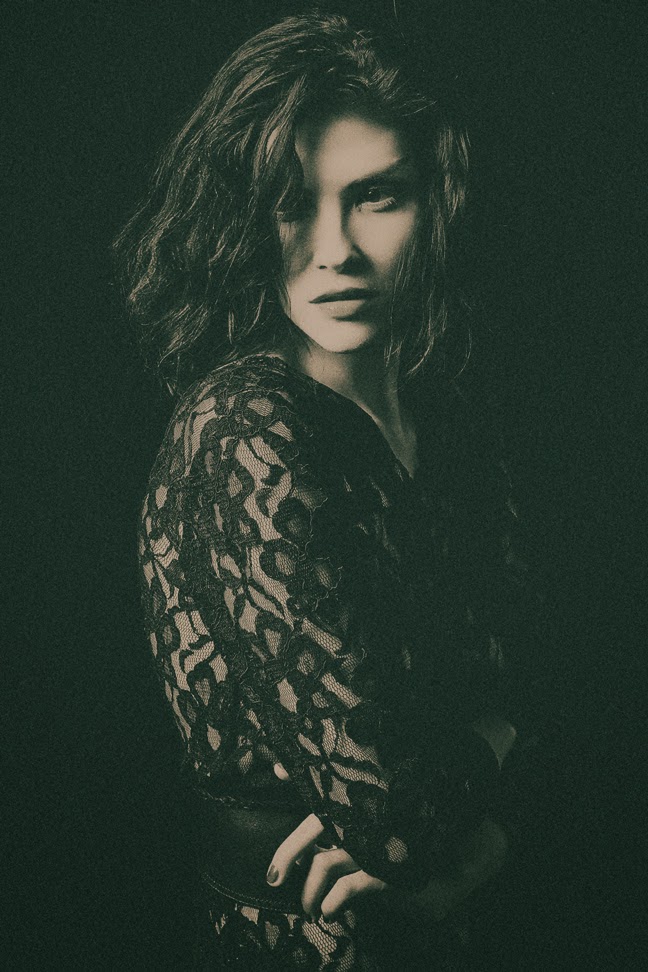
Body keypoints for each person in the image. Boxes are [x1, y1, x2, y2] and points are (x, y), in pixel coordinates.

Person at [117, 12, 539, 970]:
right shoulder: (243, 431)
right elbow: (397, 827)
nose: (334, 247)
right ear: (242, 218)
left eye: (377, 196)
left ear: (439, 203)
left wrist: (490, 837)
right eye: (290, 204)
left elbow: (564, 685)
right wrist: (500, 739)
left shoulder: (453, 417)